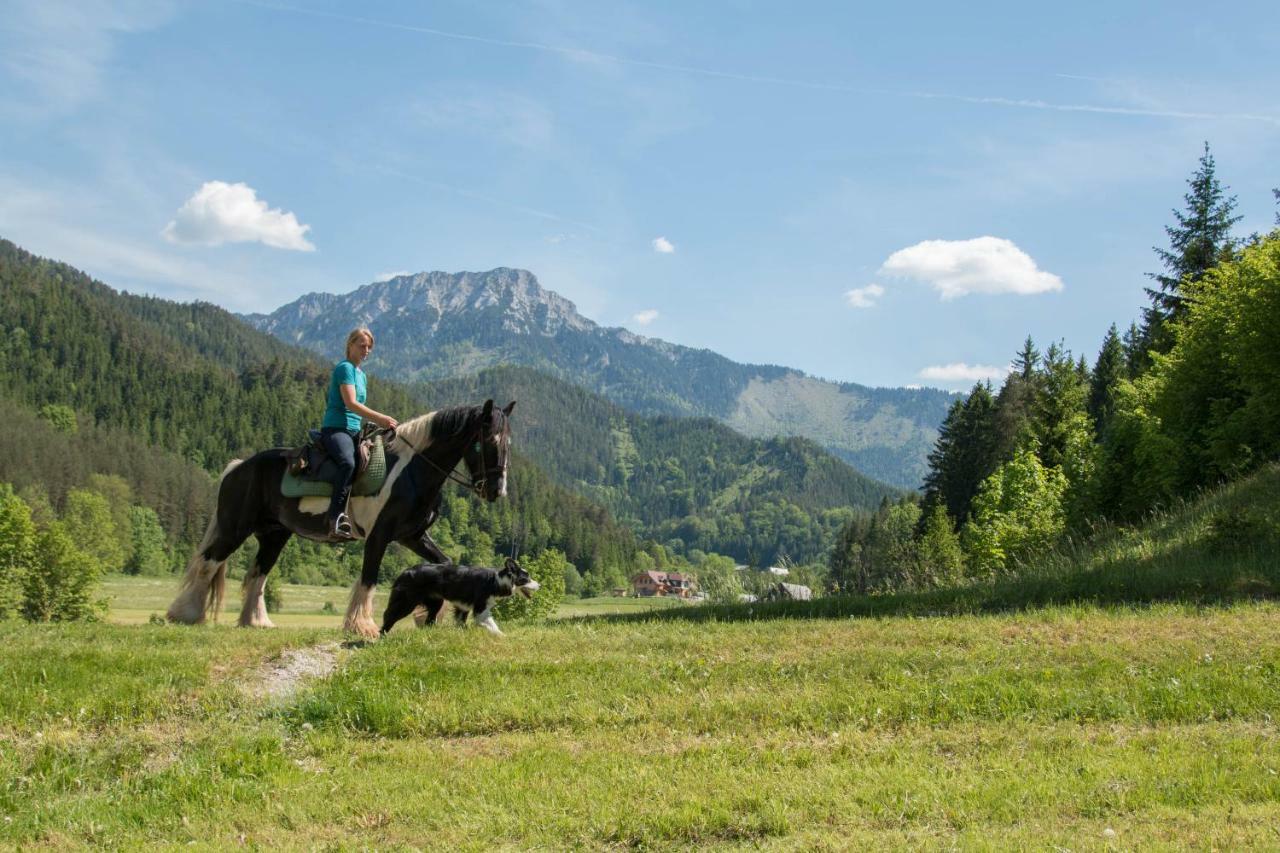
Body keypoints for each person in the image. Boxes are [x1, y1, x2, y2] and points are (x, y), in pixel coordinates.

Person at [320, 327, 398, 539]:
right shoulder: (344, 368)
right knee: (348, 463)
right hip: (336, 429)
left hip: (355, 431)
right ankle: (335, 518)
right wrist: (380, 418)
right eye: (362, 345)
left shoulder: (361, 375)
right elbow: (351, 403)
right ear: (350, 345)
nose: (366, 350)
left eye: (369, 347)